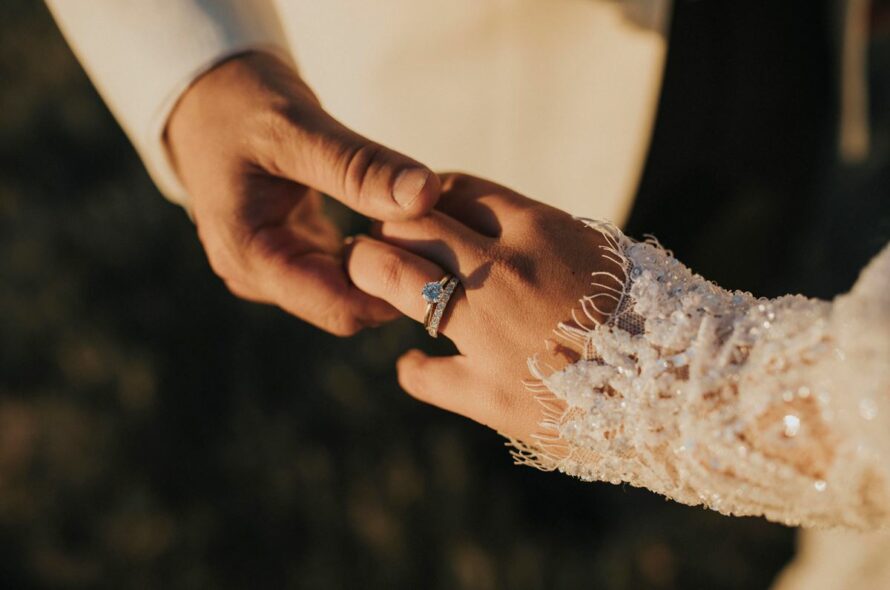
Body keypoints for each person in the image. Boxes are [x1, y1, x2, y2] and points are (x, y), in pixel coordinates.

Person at [46, 1, 890, 587]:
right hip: (467, 98)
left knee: (754, 225)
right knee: (473, 377)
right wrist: (196, 69)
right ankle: (543, 492)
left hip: (785, 56)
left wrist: (666, 392)